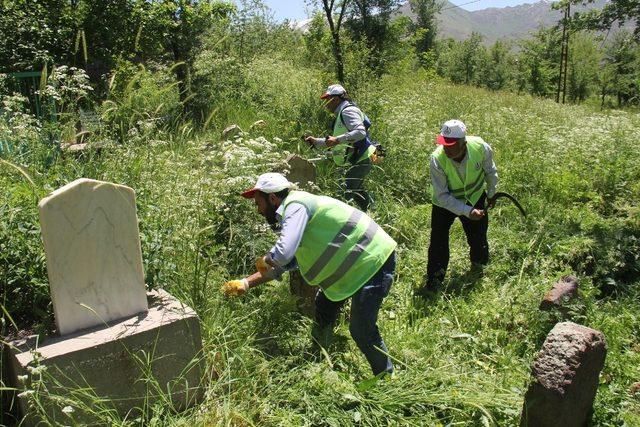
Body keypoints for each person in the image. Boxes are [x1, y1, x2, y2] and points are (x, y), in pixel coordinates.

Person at [221, 172, 397, 376]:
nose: (257, 209)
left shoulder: (296, 205)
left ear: (272, 198)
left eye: (258, 202)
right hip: (354, 269)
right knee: (324, 306)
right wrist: (245, 283)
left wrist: (267, 257)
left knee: (361, 330)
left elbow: (283, 254)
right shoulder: (294, 219)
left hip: (373, 262)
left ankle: (386, 379)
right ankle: (319, 357)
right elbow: (285, 264)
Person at [420, 119, 499, 294]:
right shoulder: (437, 159)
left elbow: (490, 172)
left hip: (475, 196)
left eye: (451, 145)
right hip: (444, 203)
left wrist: (491, 194)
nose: (446, 149)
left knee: (478, 235)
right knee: (438, 241)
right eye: (444, 144)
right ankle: (434, 280)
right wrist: (466, 211)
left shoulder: (480, 147)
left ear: (463, 142)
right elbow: (442, 196)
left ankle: (479, 267)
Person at [305, 84, 377, 211]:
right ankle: (374, 213)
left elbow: (360, 132)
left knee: (343, 195)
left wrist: (337, 140)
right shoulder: (342, 113)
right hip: (360, 157)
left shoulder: (348, 111)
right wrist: (316, 141)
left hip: (362, 158)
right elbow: (336, 141)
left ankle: (345, 226)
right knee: (357, 192)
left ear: (336, 99)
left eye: (328, 99)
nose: (326, 104)